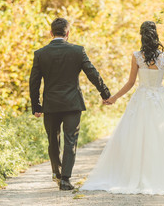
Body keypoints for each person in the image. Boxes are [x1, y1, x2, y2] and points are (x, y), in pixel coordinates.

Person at [81, 21, 164, 196]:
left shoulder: (137, 56)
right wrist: (160, 94)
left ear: (141, 35)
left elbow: (131, 83)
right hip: (159, 99)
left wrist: (113, 98)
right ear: (155, 35)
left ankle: (136, 174)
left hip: (141, 99)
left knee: (137, 137)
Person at [29, 18, 110, 190]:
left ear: (51, 33)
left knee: (53, 139)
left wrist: (36, 106)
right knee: (70, 140)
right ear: (68, 33)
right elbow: (92, 73)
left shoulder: (40, 54)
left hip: (50, 104)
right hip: (72, 103)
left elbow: (34, 82)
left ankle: (56, 172)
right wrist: (105, 93)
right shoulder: (77, 51)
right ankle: (65, 179)